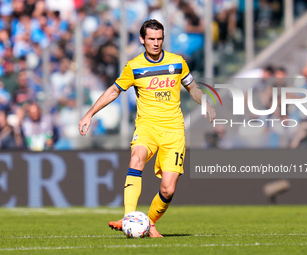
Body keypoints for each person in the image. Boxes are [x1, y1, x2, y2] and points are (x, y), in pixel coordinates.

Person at [78, 19, 216, 237]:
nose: (155, 43)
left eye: (159, 39)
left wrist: (205, 101)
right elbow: (114, 91)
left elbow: (193, 88)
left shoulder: (178, 62)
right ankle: (128, 216)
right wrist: (89, 114)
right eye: (151, 39)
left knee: (168, 189)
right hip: (147, 127)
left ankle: (149, 223)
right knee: (136, 158)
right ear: (142, 40)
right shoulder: (134, 67)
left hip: (173, 131)